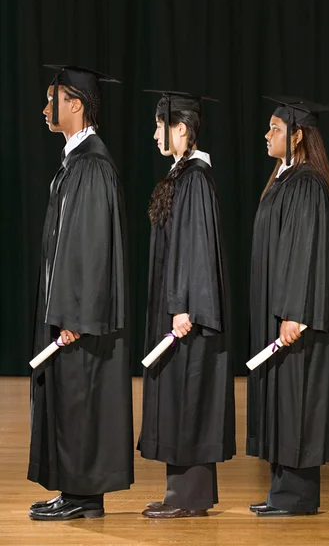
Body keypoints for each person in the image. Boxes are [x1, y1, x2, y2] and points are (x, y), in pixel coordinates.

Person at [28, 65, 133, 521]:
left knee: (82, 399)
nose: (45, 107)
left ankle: (84, 496)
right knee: (69, 400)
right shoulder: (78, 160)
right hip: (70, 313)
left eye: (52, 99)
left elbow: (91, 249)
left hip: (80, 319)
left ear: (76, 104)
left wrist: (75, 314)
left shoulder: (91, 165)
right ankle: (73, 490)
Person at [138, 90, 236, 519]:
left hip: (187, 314)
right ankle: (181, 495)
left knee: (190, 397)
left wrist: (182, 306)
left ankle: (189, 498)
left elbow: (193, 248)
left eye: (161, 124)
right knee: (178, 397)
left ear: (181, 129)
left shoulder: (195, 178)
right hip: (180, 309)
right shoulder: (183, 175)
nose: (155, 132)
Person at [247, 96, 329, 517]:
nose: (267, 134)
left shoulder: (306, 183)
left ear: (298, 135)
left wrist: (294, 311)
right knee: (282, 402)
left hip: (295, 320)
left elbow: (305, 252)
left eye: (275, 128)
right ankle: (281, 492)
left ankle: (297, 497)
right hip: (279, 315)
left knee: (298, 402)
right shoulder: (286, 179)